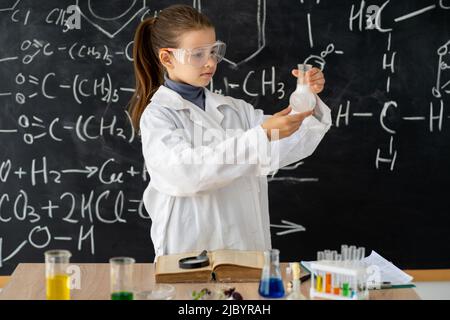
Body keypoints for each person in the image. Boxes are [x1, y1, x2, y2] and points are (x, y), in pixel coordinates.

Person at [128, 4, 331, 259]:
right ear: (167, 58)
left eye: (213, 51)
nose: (211, 62)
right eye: (198, 54)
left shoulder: (235, 110)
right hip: (189, 253)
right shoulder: (159, 116)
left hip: (245, 248)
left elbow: (286, 147)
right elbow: (184, 173)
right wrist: (261, 135)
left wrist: (306, 99)